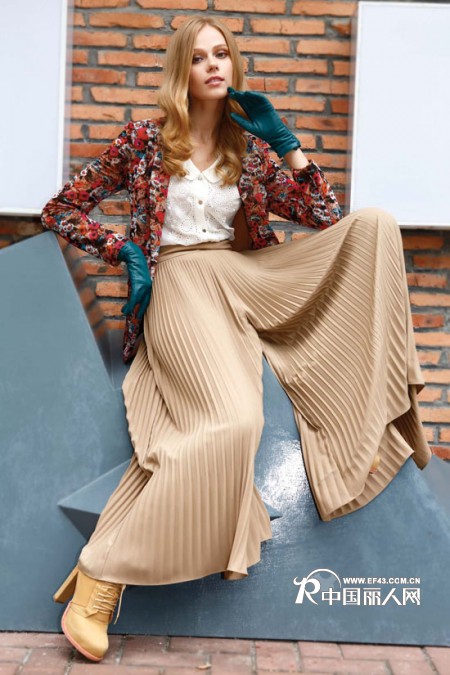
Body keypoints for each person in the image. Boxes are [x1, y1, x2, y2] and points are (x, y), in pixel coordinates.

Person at [41, 15, 431, 662]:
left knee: (374, 226)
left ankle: (363, 419)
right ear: (182, 70)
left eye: (222, 54)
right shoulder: (143, 141)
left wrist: (287, 145)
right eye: (199, 57)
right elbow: (62, 210)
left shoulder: (247, 148)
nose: (214, 65)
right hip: (180, 283)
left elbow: (327, 217)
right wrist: (125, 251)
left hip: (245, 275)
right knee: (233, 422)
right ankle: (101, 573)